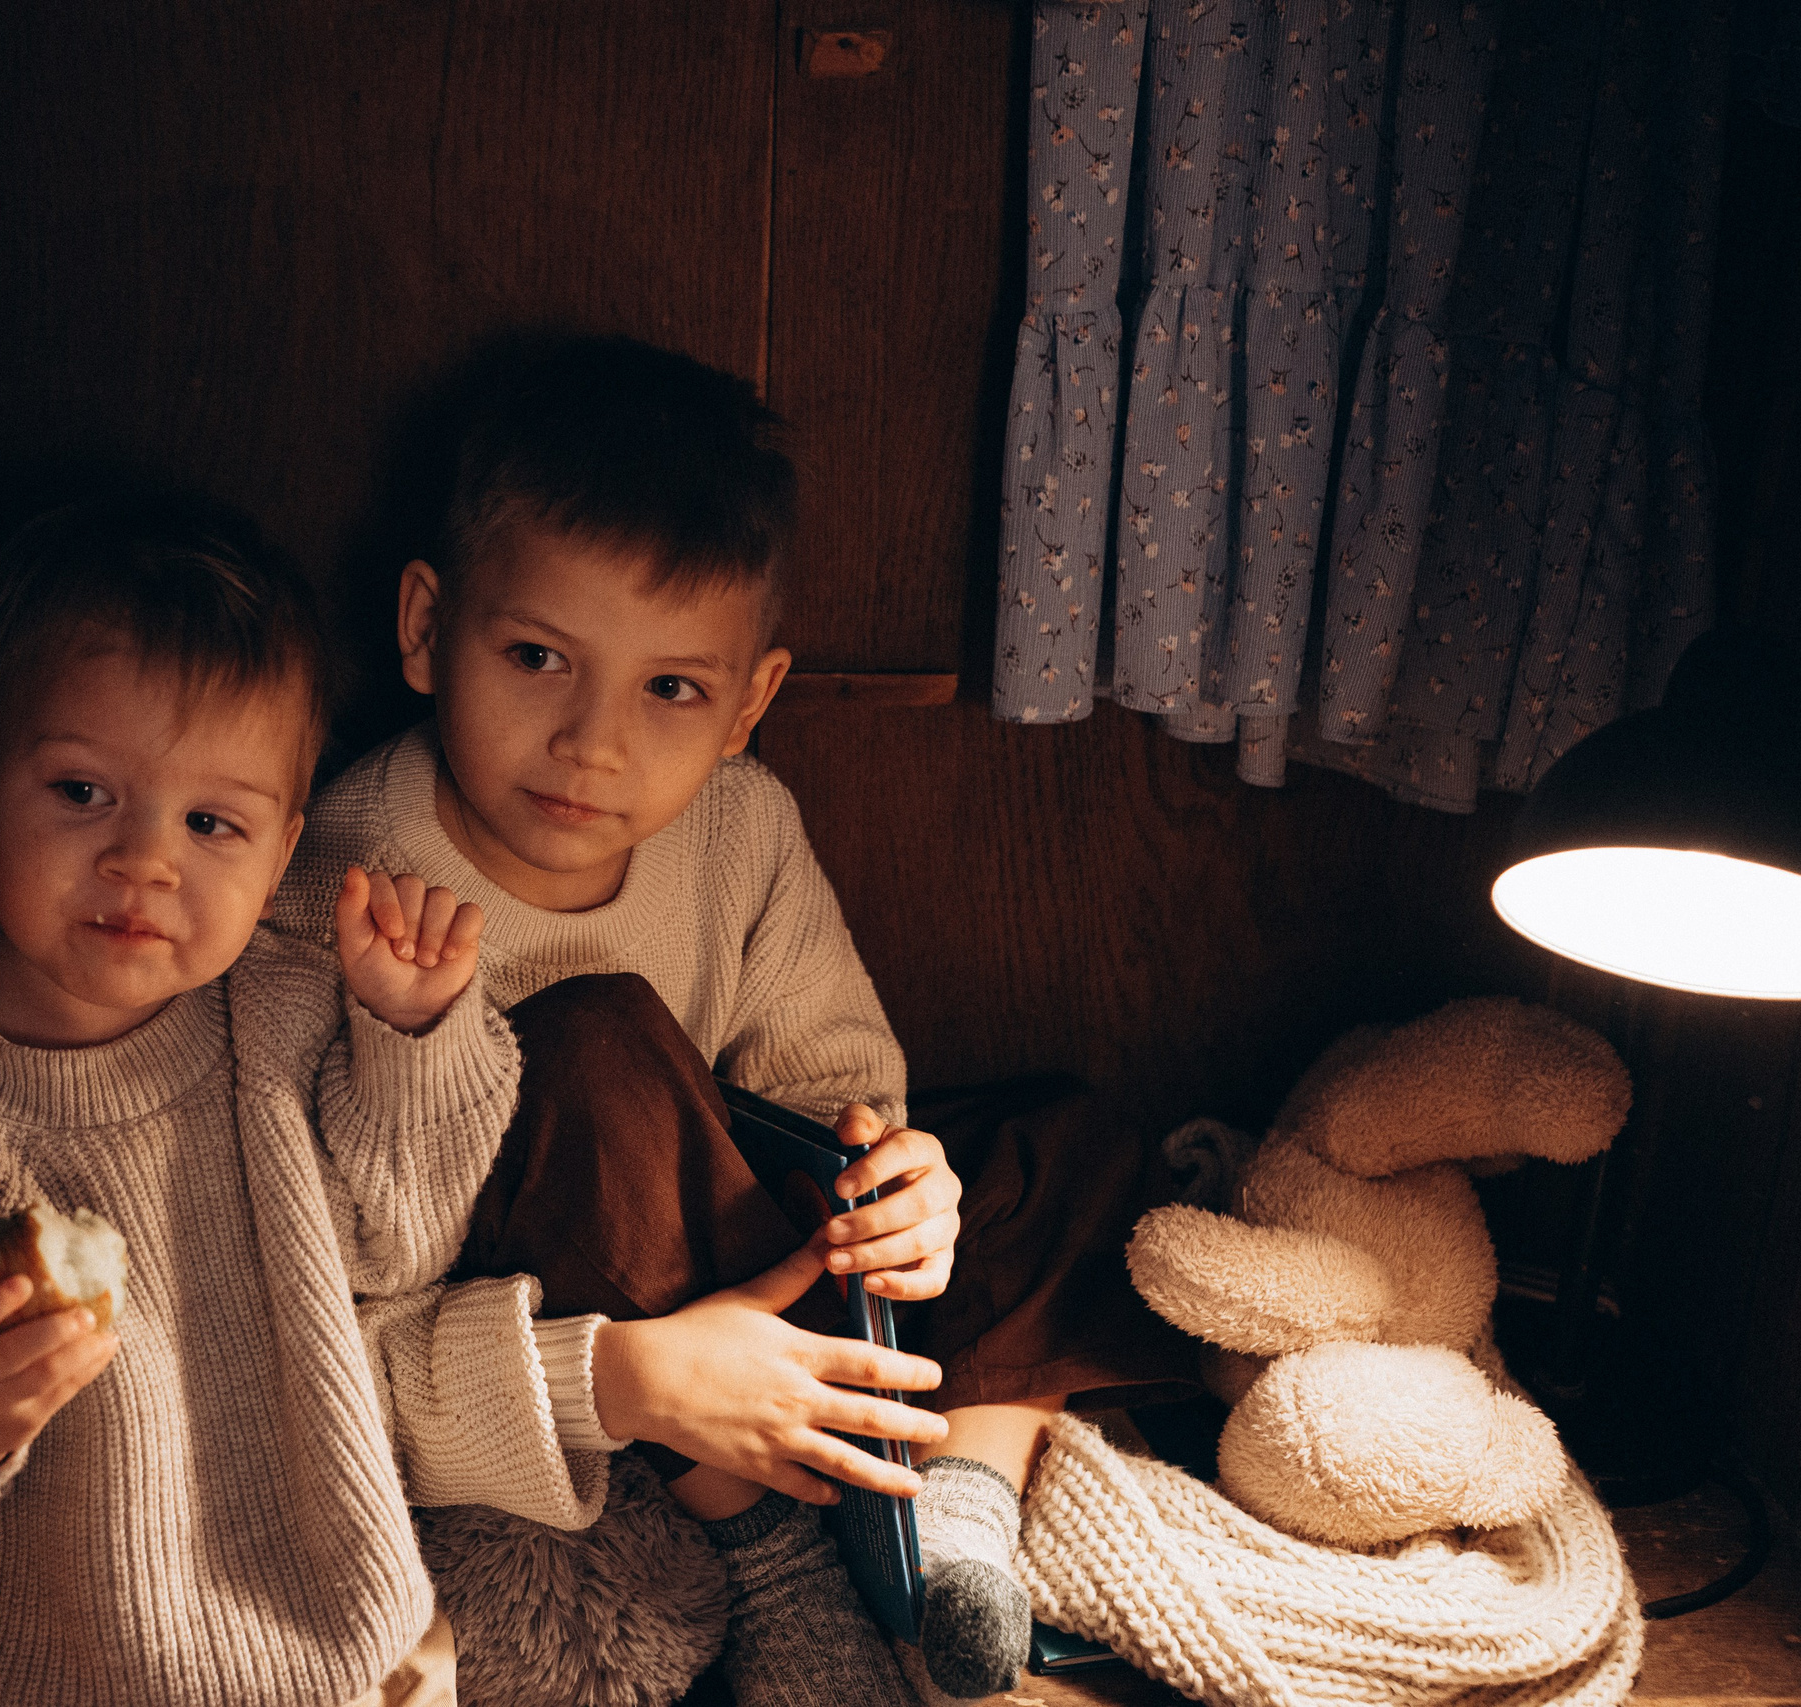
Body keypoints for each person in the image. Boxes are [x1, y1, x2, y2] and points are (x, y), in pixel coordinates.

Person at [272, 336, 1189, 1702]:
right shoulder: (339, 871)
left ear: (749, 701)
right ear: (425, 627)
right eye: (536, 655)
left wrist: (895, 1183)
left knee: (1078, 1143)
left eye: (671, 689)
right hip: (571, 1328)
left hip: (752, 1256)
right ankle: (775, 1556)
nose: (594, 740)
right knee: (595, 1036)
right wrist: (630, 1379)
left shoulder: (740, 823)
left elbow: (829, 1078)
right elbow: (327, 1319)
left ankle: (964, 1499)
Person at [0, 491, 546, 1706]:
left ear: (281, 855)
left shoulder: (279, 1016)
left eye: (210, 822)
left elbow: (396, 1244)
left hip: (346, 1649)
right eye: (83, 793)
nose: (145, 861)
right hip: (47, 1675)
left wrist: (405, 1035)